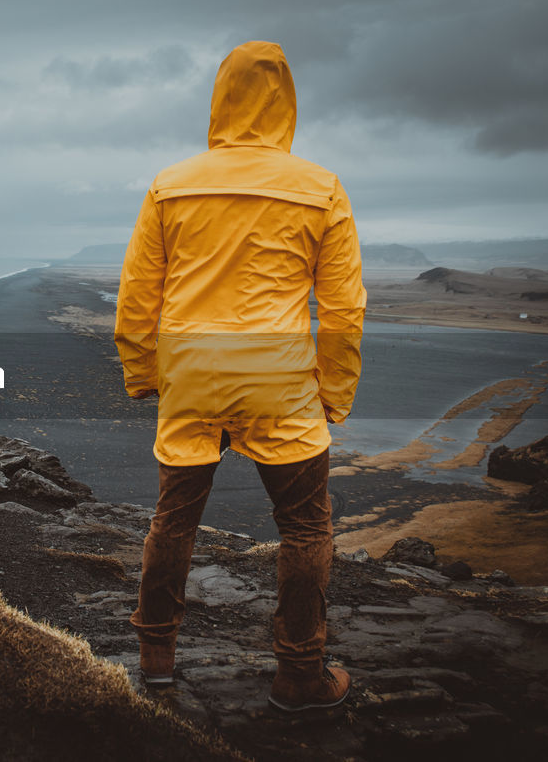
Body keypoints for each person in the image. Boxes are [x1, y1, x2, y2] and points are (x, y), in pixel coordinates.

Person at [114, 40, 366, 711]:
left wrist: (146, 375)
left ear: (219, 97)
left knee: (173, 518)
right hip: (278, 380)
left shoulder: (171, 183)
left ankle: (157, 656)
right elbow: (343, 309)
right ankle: (299, 674)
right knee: (306, 526)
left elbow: (138, 295)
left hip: (192, 374)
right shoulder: (321, 187)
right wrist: (333, 394)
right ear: (287, 102)